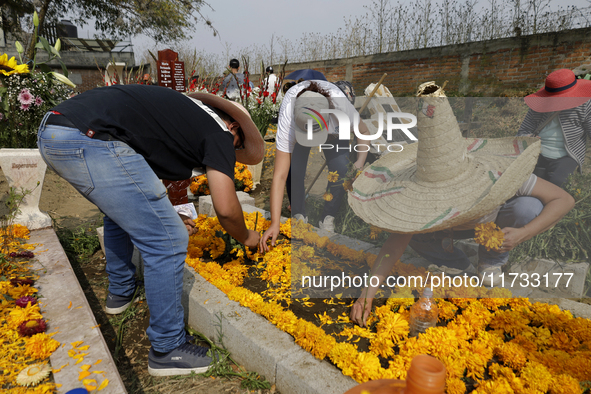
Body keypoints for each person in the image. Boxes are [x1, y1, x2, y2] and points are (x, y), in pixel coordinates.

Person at [37, 84, 264, 375]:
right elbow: (226, 208)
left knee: (119, 213)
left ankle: (121, 292)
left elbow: (136, 186)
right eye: (236, 149)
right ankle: (168, 349)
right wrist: (247, 236)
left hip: (55, 130)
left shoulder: (178, 117)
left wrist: (163, 213)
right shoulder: (218, 132)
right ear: (232, 126)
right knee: (168, 239)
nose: (230, 156)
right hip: (88, 138)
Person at [348, 82, 575, 327]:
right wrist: (367, 294)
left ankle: (490, 259)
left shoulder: (496, 174)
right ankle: (455, 261)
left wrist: (523, 233)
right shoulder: (417, 196)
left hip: (488, 226)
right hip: (440, 230)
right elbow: (393, 245)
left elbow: (563, 199)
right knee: (410, 234)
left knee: (527, 208)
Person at [260, 80, 371, 250]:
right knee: (294, 170)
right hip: (301, 123)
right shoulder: (289, 117)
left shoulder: (342, 109)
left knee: (341, 168)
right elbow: (280, 175)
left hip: (333, 128)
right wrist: (275, 223)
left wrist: (360, 162)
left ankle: (328, 217)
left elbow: (363, 132)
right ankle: (298, 213)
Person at [517, 68, 591, 187]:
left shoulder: (585, 104)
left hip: (567, 155)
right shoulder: (540, 102)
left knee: (558, 182)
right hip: (537, 150)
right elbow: (524, 129)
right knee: (523, 181)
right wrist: (527, 137)